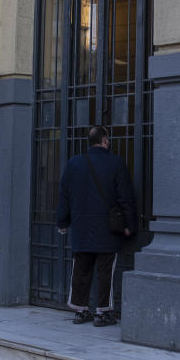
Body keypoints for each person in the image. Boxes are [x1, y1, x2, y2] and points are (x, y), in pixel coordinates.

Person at [56, 125, 137, 326]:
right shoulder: (116, 163)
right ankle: (102, 313)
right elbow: (125, 197)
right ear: (104, 140)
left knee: (81, 270)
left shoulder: (74, 163)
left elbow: (64, 195)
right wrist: (129, 224)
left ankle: (80, 310)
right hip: (107, 228)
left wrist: (62, 222)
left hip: (81, 226)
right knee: (105, 271)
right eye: (107, 139)